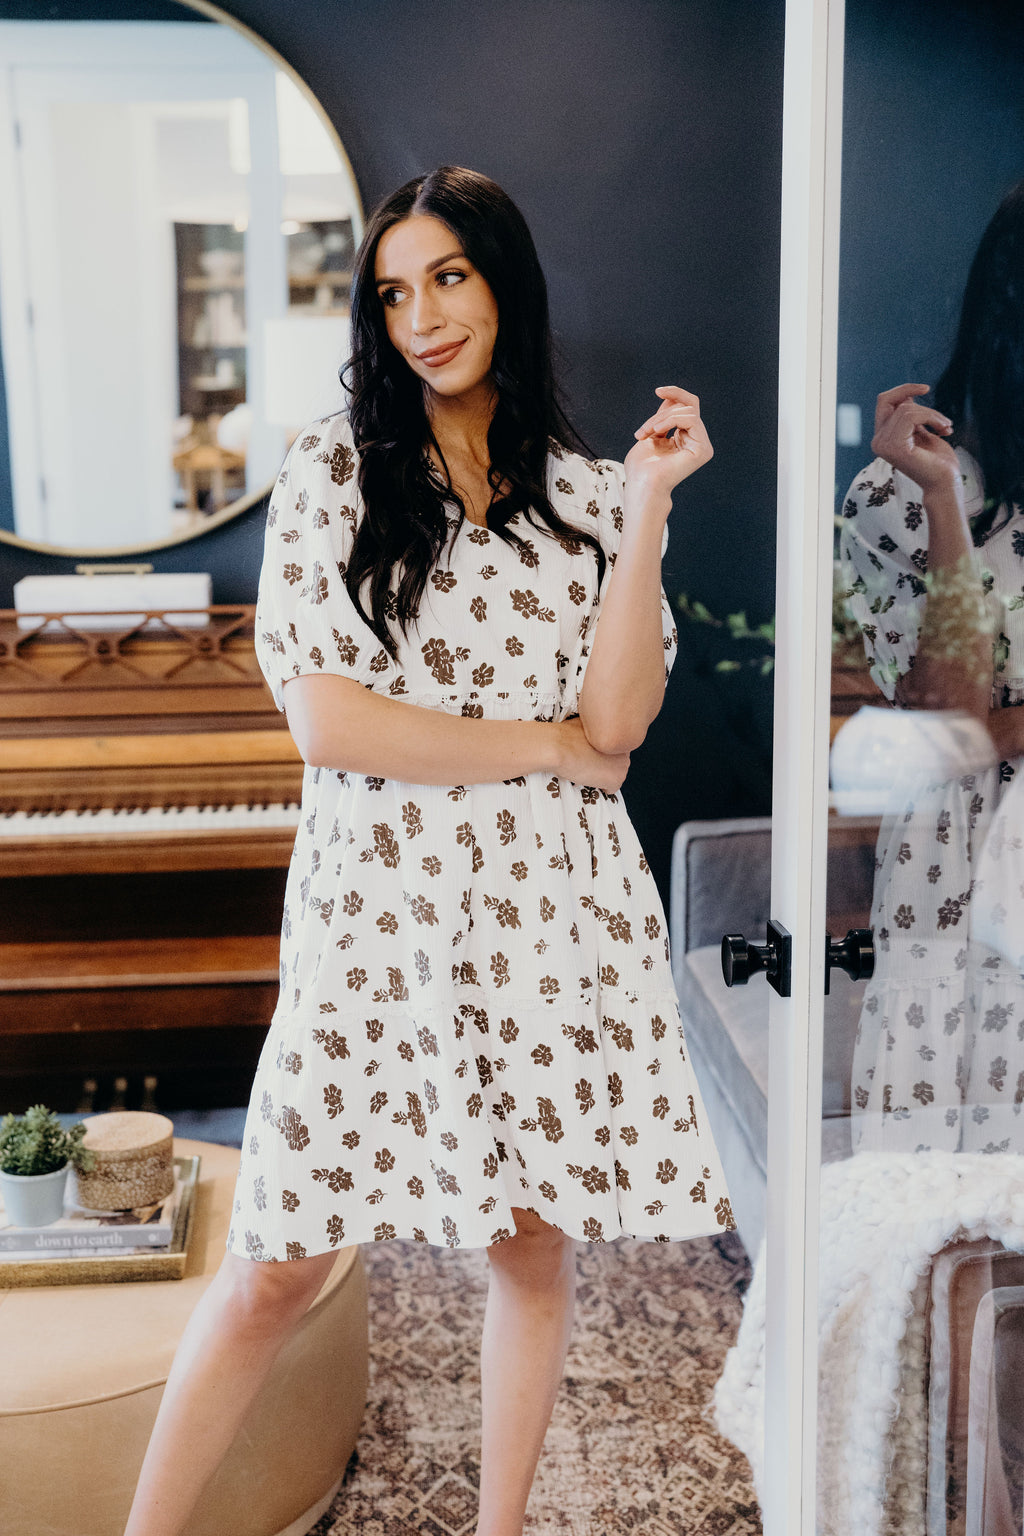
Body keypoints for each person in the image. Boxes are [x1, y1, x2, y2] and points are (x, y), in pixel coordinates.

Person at [124, 164, 733, 1536]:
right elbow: (332, 723)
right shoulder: (335, 469)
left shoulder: (587, 494)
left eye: (447, 277)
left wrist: (644, 518)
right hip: (376, 914)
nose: (421, 318)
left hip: (547, 909)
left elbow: (621, 722)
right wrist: (541, 745)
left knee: (529, 1252)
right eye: (393, 292)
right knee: (278, 1263)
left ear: (504, 281)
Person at [839, 179, 1024, 1155]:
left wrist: (1008, 725)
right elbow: (948, 719)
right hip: (960, 860)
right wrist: (946, 506)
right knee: (938, 1194)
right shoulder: (900, 487)